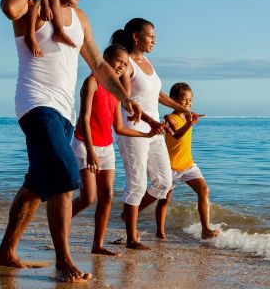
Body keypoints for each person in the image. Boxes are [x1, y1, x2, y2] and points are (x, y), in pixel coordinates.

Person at [0, 0, 141, 283]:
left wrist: (124, 98)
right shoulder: (34, 7)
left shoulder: (81, 19)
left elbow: (100, 67)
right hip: (35, 103)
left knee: (36, 184)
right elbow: (8, 7)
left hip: (64, 112)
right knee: (63, 174)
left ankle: (6, 250)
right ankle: (64, 262)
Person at [111, 18, 197, 250]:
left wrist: (183, 109)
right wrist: (149, 122)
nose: (154, 40)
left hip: (154, 130)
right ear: (136, 37)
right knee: (137, 183)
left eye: (155, 37)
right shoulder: (127, 64)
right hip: (134, 129)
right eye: (150, 36)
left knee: (164, 181)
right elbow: (126, 101)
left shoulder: (147, 62)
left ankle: (129, 214)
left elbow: (157, 95)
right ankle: (132, 238)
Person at [71, 44, 163, 256]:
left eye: (124, 64)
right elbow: (84, 119)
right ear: (105, 59)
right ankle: (60, 222)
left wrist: (146, 134)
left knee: (108, 195)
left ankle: (97, 245)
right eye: (118, 62)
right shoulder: (92, 82)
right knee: (88, 197)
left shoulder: (116, 92)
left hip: (106, 147)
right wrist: (91, 152)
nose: (121, 67)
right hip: (85, 145)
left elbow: (119, 127)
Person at [155, 82, 220, 240]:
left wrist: (190, 121)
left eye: (190, 100)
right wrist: (189, 124)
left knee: (204, 190)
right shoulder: (169, 117)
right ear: (172, 100)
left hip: (188, 165)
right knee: (165, 199)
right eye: (184, 100)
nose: (188, 104)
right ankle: (160, 231)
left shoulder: (188, 116)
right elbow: (177, 135)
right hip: (170, 167)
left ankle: (205, 229)